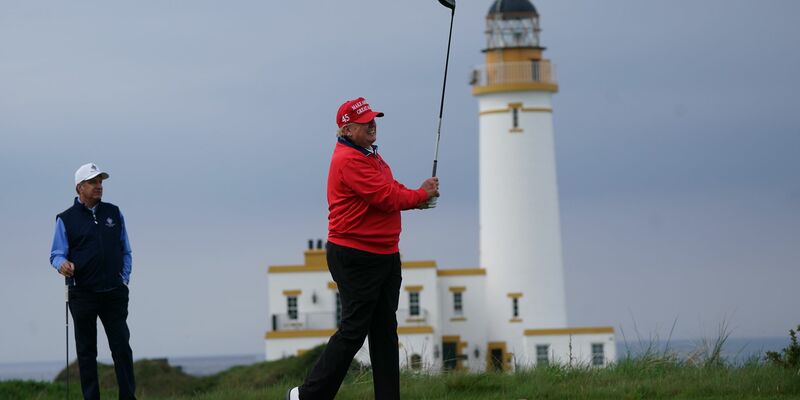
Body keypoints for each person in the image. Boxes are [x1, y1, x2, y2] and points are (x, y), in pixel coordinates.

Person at [286, 98, 439, 400]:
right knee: (354, 330)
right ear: (346, 129)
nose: (372, 124)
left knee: (384, 331)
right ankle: (307, 396)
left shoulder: (370, 155)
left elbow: (391, 190)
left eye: (374, 118)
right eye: (365, 121)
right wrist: (421, 195)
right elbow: (384, 196)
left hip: (383, 254)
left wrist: (418, 197)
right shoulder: (349, 160)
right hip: (356, 256)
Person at [50, 162, 136, 400]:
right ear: (80, 187)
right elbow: (56, 254)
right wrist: (62, 265)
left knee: (121, 349)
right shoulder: (65, 219)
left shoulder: (114, 213)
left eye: (100, 182)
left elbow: (125, 249)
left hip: (113, 292)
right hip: (83, 294)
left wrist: (124, 278)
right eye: (93, 182)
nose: (99, 186)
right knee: (87, 352)